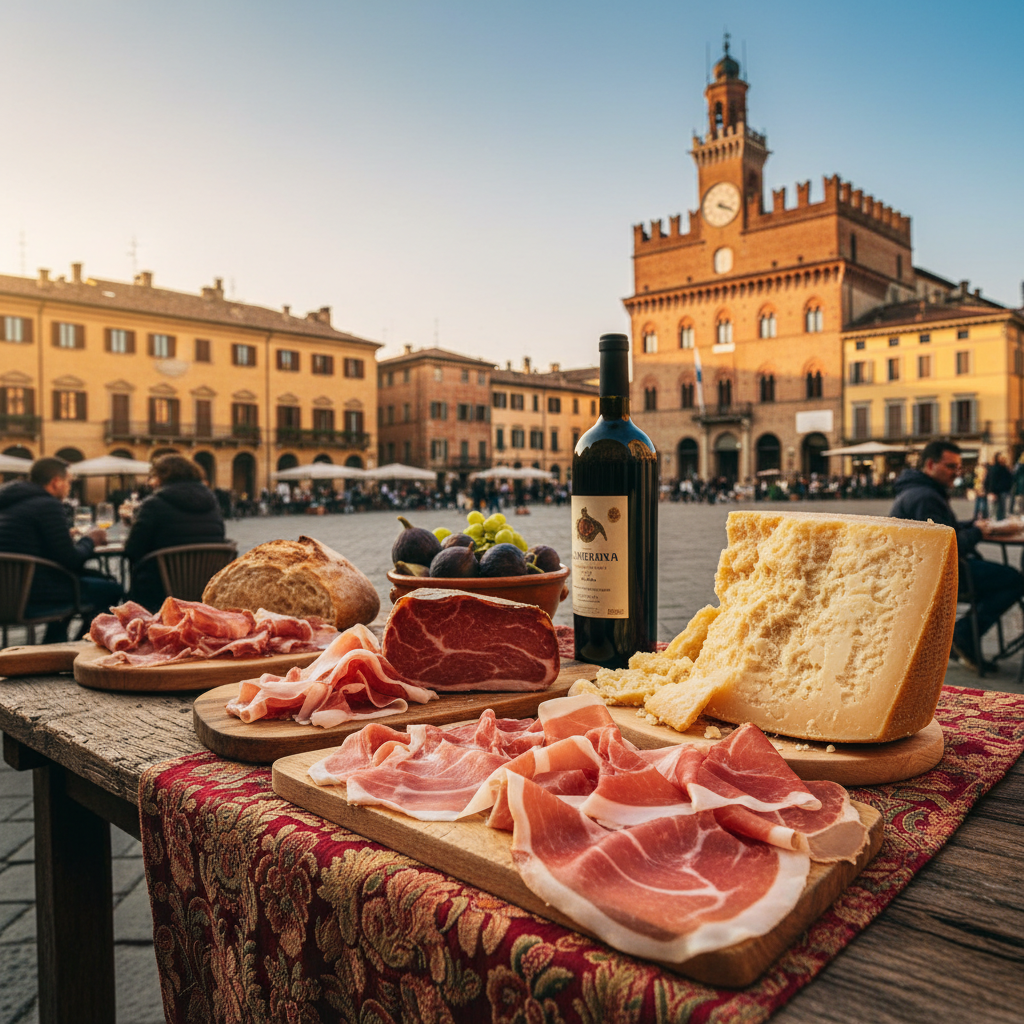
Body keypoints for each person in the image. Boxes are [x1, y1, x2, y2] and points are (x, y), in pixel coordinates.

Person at [890, 440, 1024, 672]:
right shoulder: (926, 497)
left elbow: (944, 528)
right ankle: (963, 635)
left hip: (927, 570)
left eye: (958, 467)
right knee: (1013, 580)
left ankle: (965, 636)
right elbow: (946, 547)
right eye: (951, 467)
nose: (957, 473)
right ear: (931, 464)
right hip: (935, 576)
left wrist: (973, 525)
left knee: (1002, 577)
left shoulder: (920, 491)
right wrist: (977, 532)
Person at [0, 457, 123, 641]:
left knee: (99, 579)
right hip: (32, 595)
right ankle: (77, 647)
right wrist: (90, 539)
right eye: (68, 481)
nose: (69, 487)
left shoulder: (10, 503)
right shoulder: (47, 504)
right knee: (111, 589)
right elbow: (70, 559)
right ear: (56, 482)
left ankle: (54, 642)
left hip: (8, 593)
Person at [124, 454, 226, 611]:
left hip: (159, 591)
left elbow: (132, 550)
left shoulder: (153, 504)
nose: (150, 482)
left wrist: (133, 525)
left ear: (161, 477)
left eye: (153, 477)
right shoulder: (212, 502)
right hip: (205, 587)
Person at [982, 452, 1013, 521]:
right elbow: (990, 480)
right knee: (993, 511)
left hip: (1003, 492)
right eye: (1001, 458)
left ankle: (1000, 525)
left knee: (1002, 511)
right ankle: (993, 526)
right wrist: (990, 491)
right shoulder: (994, 468)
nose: (1003, 459)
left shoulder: (1005, 468)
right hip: (995, 492)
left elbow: (1010, 479)